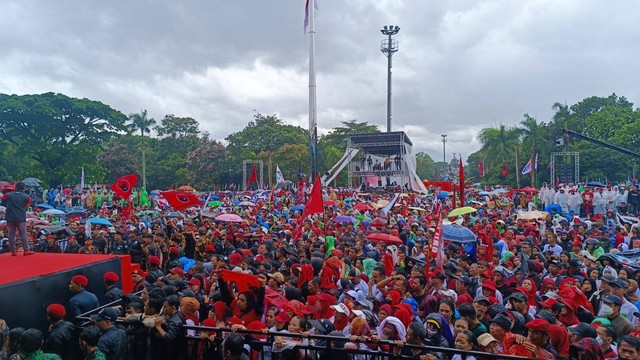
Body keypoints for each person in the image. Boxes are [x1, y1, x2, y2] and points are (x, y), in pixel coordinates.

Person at [2, 182, 34, 256]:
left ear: (15, 187)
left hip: (10, 217)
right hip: (21, 217)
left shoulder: (8, 195)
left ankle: (13, 251)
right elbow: (26, 207)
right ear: (24, 188)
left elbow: (2, 197)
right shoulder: (27, 197)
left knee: (11, 234)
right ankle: (26, 250)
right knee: (23, 234)